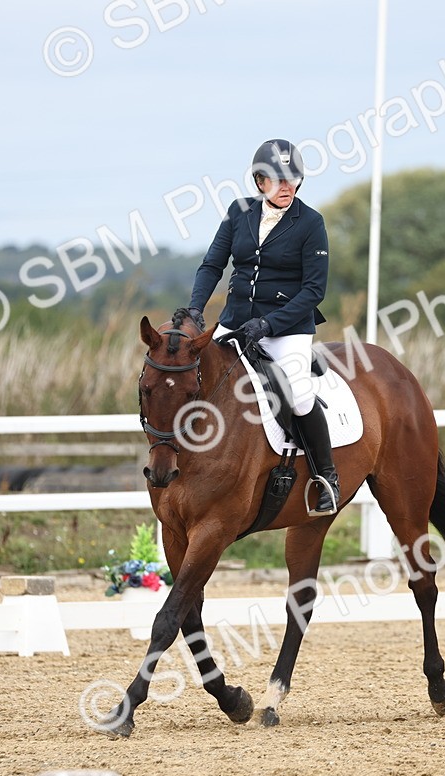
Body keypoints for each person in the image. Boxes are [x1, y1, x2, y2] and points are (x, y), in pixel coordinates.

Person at [185, 138, 340, 515]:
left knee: (300, 395)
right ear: (258, 181)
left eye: (293, 179)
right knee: (191, 375)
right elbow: (212, 265)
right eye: (277, 179)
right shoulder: (238, 212)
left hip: (287, 329)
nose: (287, 186)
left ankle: (327, 478)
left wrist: (269, 323)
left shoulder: (311, 223)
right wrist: (194, 309)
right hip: (235, 323)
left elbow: (314, 290)